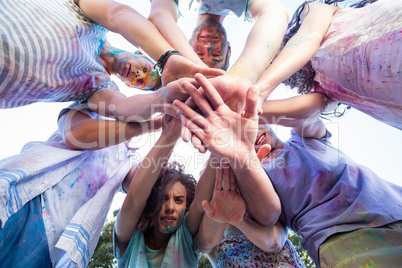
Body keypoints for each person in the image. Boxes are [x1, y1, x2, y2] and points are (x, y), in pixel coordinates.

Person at [173, 74, 402, 267]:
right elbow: (269, 219)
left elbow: (319, 104)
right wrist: (242, 160)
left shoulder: (306, 140)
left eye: (248, 124)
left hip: (395, 210)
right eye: (238, 135)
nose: (251, 135)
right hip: (344, 242)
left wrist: (253, 109)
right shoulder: (252, 177)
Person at [0, 103, 161, 268]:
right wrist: (150, 125)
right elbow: (76, 134)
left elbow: (140, 180)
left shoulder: (127, 160)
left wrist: (170, 131)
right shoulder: (92, 107)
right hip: (20, 200)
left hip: (50, 244)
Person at [0, 0, 223, 119]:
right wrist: (166, 57)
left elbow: (120, 107)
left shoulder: (95, 87)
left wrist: (162, 98)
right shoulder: (92, 21)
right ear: (140, 54)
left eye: (141, 83)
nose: (139, 76)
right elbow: (118, 15)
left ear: (127, 86)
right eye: (147, 70)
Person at [252, 0, 402, 129]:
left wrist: (260, 89)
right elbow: (312, 108)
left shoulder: (311, 11)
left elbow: (309, 38)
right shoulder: (321, 89)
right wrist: (245, 106)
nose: (267, 62)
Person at [113, 115, 213, 268]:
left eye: (179, 200)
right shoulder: (129, 238)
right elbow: (134, 198)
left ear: (186, 207)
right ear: (151, 201)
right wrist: (172, 132)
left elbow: (201, 203)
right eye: (163, 198)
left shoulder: (184, 237)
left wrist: (220, 147)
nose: (170, 207)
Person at [194, 162, 306, 267]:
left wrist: (238, 220)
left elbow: (274, 242)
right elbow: (205, 243)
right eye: (220, 180)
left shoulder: (265, 214)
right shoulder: (209, 234)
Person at [149, 0, 289, 82]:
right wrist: (240, 79)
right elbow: (276, 14)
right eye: (216, 55)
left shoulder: (176, 7)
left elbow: (158, 17)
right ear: (228, 49)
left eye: (198, 54)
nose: (208, 46)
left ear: (188, 43)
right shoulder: (246, 7)